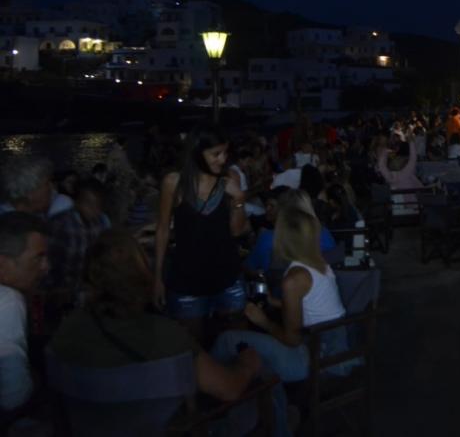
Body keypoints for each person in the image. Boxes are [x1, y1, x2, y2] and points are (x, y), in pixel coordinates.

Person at [48, 229, 263, 411]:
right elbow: (229, 389)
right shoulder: (163, 334)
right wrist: (247, 364)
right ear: (141, 272)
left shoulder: (67, 330)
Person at [212, 190, 352, 437]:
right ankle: (278, 423)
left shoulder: (294, 278)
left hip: (316, 357)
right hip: (333, 347)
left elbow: (291, 339)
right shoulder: (319, 264)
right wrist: (277, 303)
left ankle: (216, 414)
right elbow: (314, 307)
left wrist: (262, 320)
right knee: (260, 364)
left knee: (228, 341)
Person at [153, 124, 249, 339]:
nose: (222, 159)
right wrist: (157, 278)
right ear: (197, 152)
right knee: (193, 349)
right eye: (216, 154)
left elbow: (235, 231)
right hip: (186, 280)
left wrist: (240, 200)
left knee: (235, 344)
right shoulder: (173, 183)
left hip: (227, 278)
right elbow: (162, 230)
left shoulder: (228, 181)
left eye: (225, 153)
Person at [0, 213, 50, 416]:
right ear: (2, 264)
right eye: (38, 258)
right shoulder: (8, 302)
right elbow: (15, 395)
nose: (46, 267)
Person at [246, 187, 337, 273]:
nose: (268, 209)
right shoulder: (323, 234)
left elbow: (250, 268)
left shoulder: (267, 238)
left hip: (279, 287)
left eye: (271, 205)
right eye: (267, 205)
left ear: (281, 211)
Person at [47, 177, 112, 293]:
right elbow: (49, 262)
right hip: (61, 291)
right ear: (76, 202)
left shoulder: (101, 223)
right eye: (88, 203)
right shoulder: (60, 223)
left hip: (88, 289)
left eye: (97, 204)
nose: (93, 209)